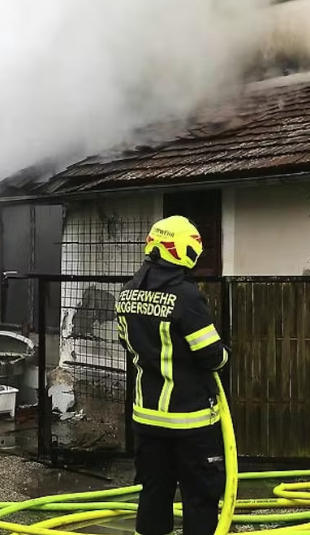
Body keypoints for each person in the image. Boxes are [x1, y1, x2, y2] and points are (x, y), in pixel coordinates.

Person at [115, 216, 230, 535]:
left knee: (154, 493)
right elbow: (212, 356)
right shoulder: (187, 296)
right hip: (190, 420)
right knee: (200, 497)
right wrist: (225, 355)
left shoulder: (126, 293)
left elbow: (126, 342)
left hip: (147, 418)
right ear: (183, 251)